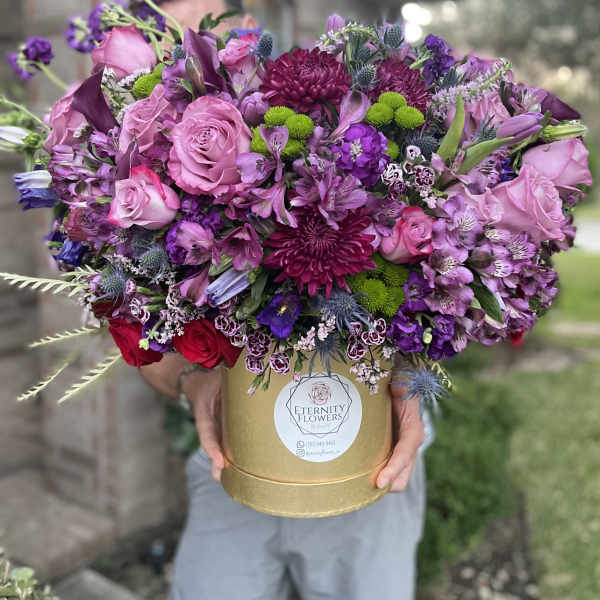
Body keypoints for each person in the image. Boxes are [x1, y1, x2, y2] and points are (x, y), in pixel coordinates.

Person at [140, 2, 429, 598]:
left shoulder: (317, 116)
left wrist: (408, 381)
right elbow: (126, 326)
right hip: (234, 455)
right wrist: (195, 384)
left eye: (216, 36)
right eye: (178, 45)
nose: (200, 59)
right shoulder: (144, 167)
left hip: (369, 456)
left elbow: (427, 296)